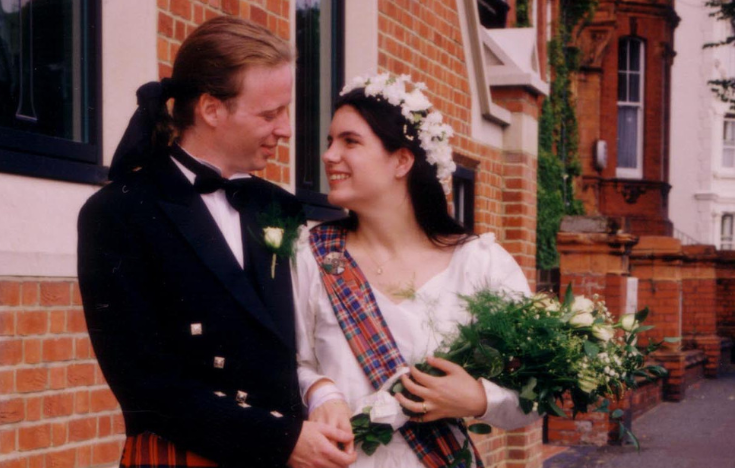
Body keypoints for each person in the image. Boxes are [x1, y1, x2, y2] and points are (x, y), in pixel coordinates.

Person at [78, 17, 356, 468]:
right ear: (211, 109)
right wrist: (280, 440)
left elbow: (297, 344)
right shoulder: (120, 211)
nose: (286, 130)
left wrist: (320, 392)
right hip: (184, 456)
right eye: (269, 114)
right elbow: (143, 383)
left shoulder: (279, 209)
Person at [293, 74, 540, 468]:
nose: (329, 155)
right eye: (330, 141)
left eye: (350, 141)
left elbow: (536, 391)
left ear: (402, 160)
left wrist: (478, 399)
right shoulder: (309, 254)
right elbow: (291, 360)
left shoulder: (479, 264)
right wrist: (321, 390)